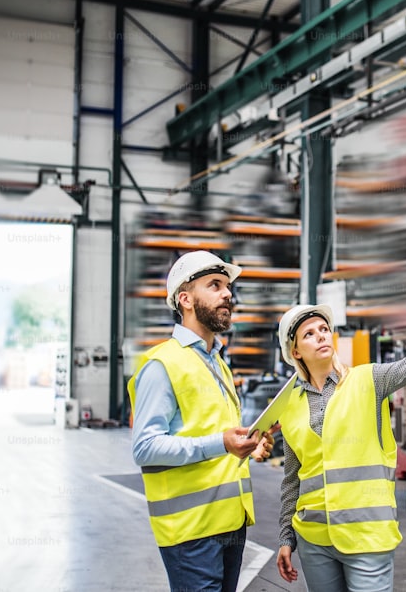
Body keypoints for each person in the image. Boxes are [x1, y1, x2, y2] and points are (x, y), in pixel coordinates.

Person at [275, 297, 406, 591]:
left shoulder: (368, 380)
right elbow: (292, 477)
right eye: (309, 333)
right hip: (314, 538)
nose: (321, 335)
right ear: (296, 351)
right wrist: (287, 537)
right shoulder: (289, 407)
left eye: (324, 329)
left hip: (366, 534)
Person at [128, 250, 275, 591]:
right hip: (190, 531)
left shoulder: (217, 362)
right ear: (185, 299)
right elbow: (145, 447)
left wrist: (245, 447)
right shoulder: (161, 364)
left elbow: (210, 431)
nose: (228, 294)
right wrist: (222, 442)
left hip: (229, 522)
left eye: (227, 286)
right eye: (215, 285)